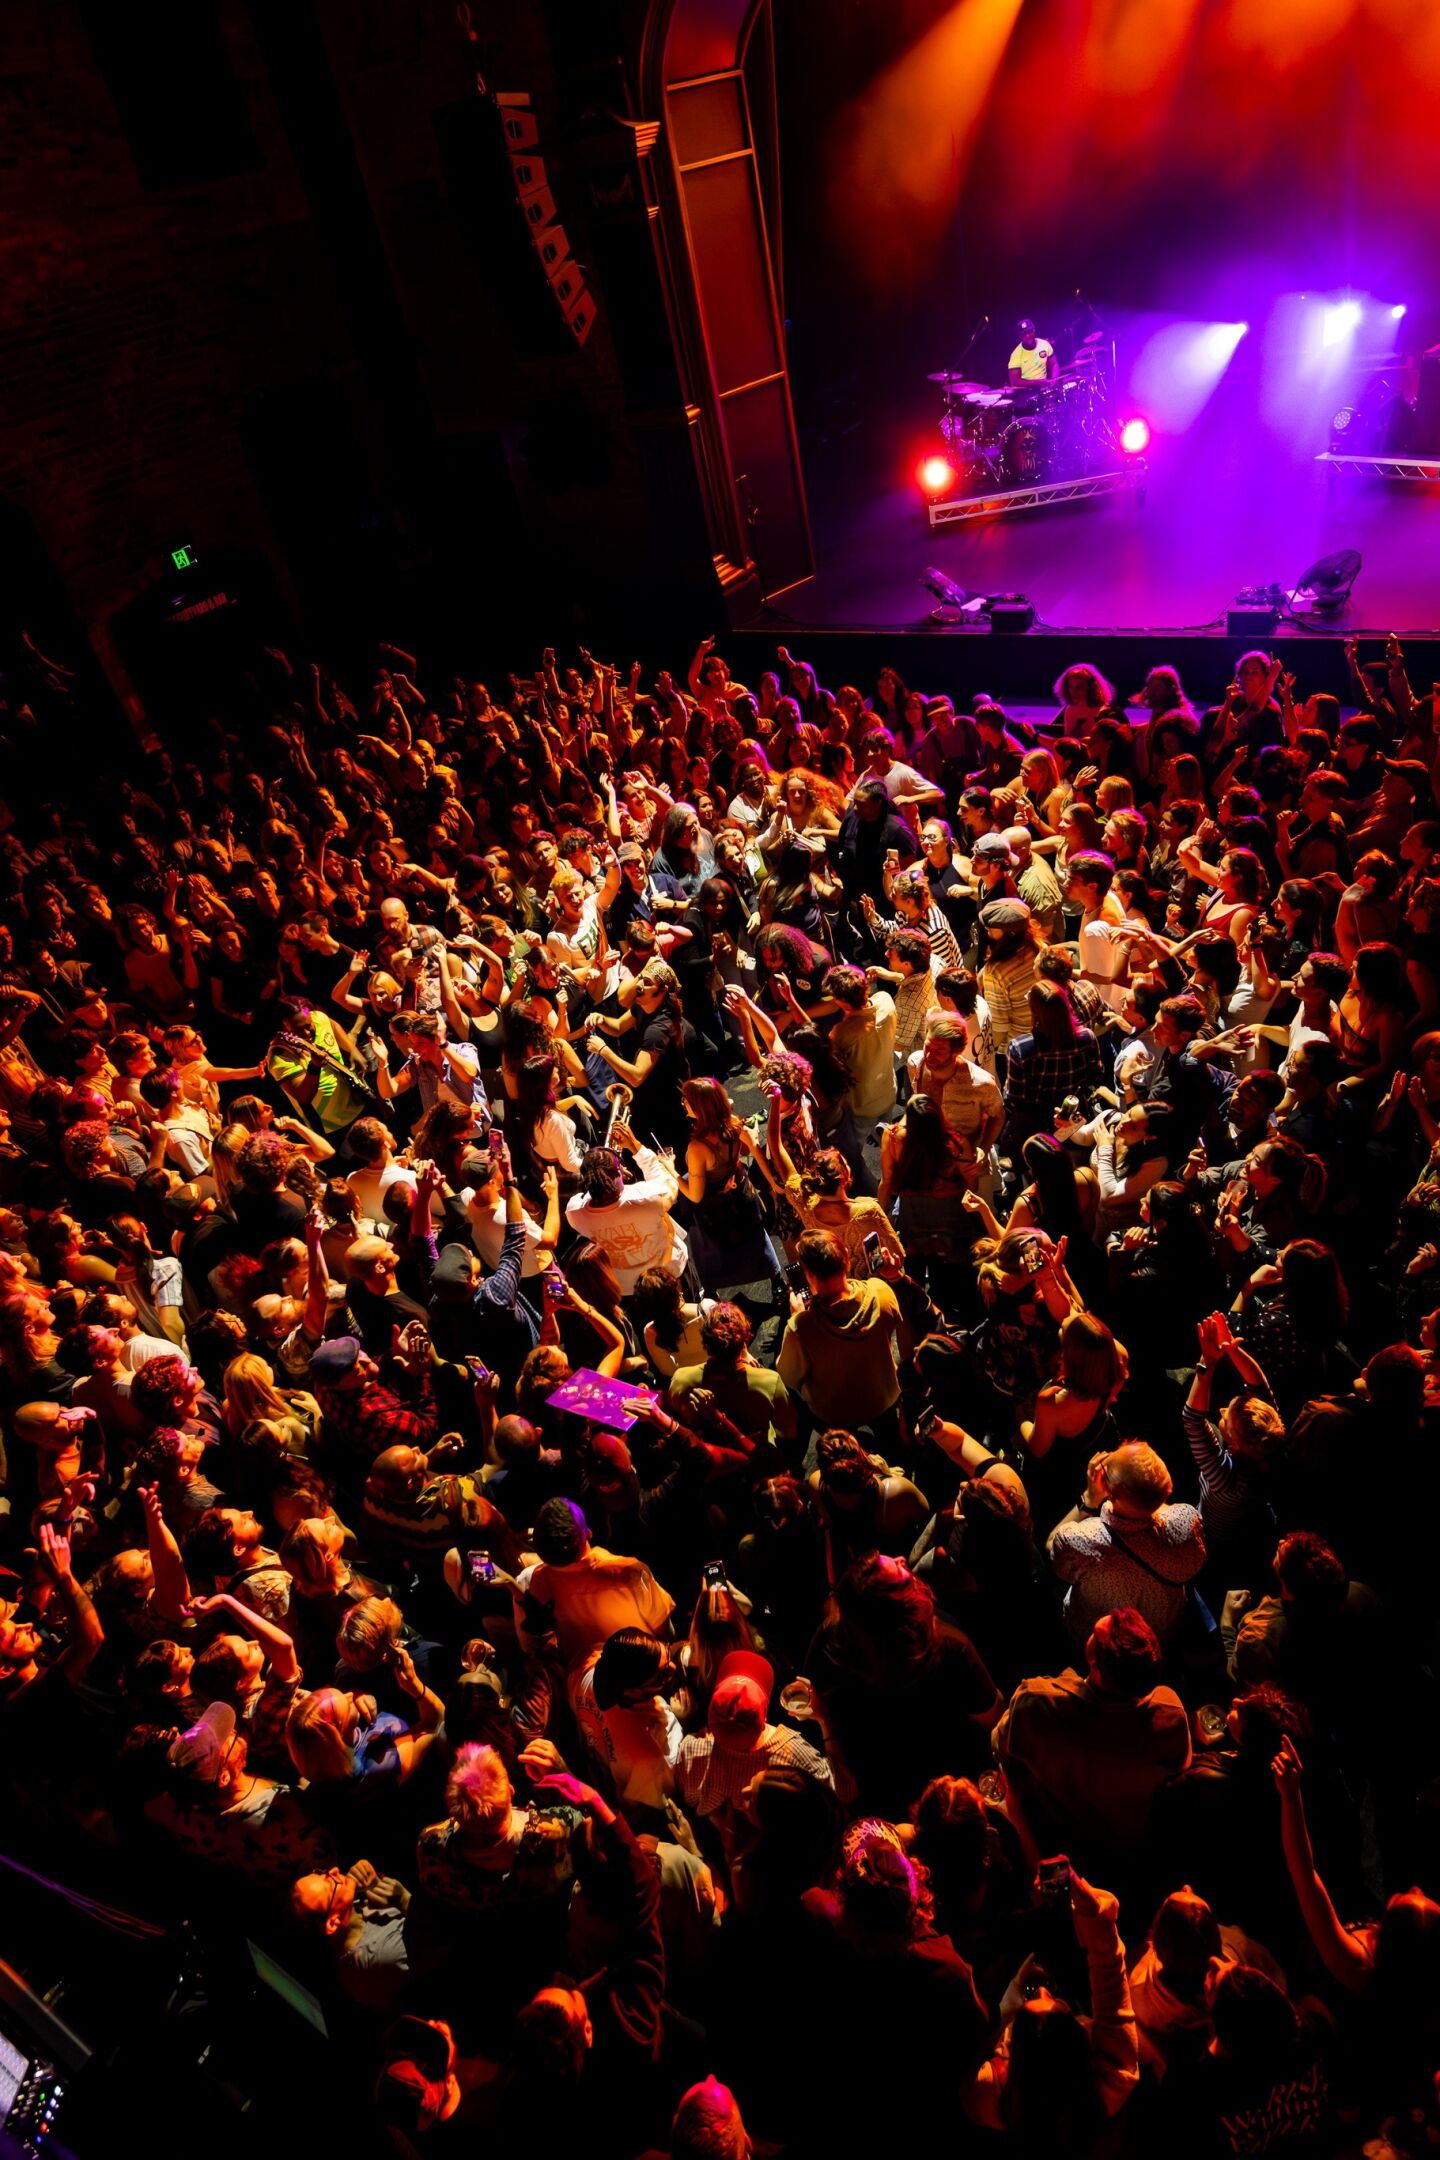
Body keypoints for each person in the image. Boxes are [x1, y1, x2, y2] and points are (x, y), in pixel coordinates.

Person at [993, 1608, 1191, 1861]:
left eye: (1096, 1635)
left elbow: (999, 1745)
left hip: (1055, 1831)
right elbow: (1181, 1768)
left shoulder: (1035, 1703)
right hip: (1126, 1841)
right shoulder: (1170, 1715)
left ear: (1095, 1663)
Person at [1048, 1440, 1206, 1649]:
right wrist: (1141, 1491)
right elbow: (1152, 1505)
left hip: (1104, 1640)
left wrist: (1090, 1499)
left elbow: (1051, 1545)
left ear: (1112, 1494)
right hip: (1163, 1631)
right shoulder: (1186, 1522)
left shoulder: (1083, 1539)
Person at [1008, 317, 1058, 385]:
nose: (1028, 336)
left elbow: (1053, 364)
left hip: (1044, 387)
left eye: (1029, 332)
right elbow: (1015, 382)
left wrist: (1054, 380)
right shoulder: (1016, 355)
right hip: (1026, 390)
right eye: (1024, 334)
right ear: (1020, 336)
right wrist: (1036, 382)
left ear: (1034, 330)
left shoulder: (1044, 345)